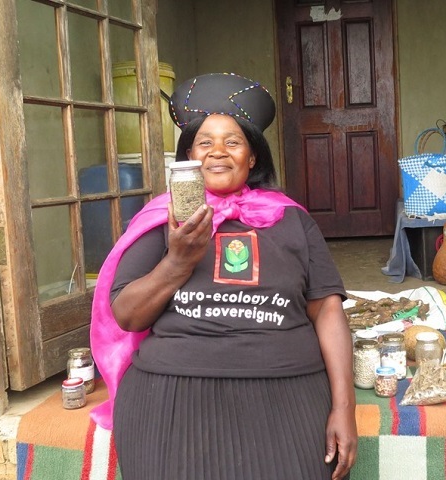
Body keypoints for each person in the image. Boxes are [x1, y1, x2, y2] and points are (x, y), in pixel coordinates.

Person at [89, 73, 357, 480]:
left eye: (232, 141)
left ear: (252, 158)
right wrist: (177, 261)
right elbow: (126, 315)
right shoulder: (162, 220)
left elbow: (326, 311)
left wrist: (344, 407)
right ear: (188, 158)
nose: (218, 152)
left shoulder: (292, 220)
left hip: (287, 392)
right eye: (204, 142)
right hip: (171, 396)